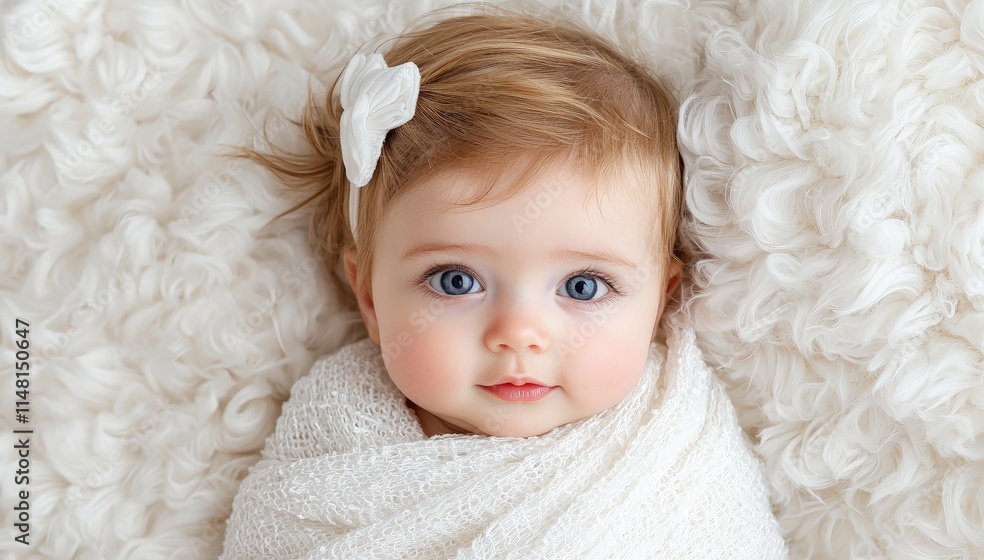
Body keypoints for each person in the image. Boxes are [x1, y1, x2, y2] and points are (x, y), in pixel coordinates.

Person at [220, 4, 789, 558]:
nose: (519, 334)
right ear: (368, 298)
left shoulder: (675, 456)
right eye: (455, 281)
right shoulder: (329, 457)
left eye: (583, 287)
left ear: (658, 304)